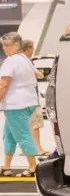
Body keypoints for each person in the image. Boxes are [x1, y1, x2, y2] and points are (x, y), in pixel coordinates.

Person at [0, 32, 40, 177]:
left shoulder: (10, 61)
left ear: (17, 45)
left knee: (23, 136)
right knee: (8, 135)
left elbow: (4, 85)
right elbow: (37, 75)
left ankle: (32, 168)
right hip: (28, 103)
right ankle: (6, 166)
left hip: (15, 105)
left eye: (7, 45)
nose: (4, 48)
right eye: (3, 45)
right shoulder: (25, 59)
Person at [22, 40, 49, 157]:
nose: (33, 51)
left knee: (25, 125)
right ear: (27, 49)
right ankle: (38, 148)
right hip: (30, 98)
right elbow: (40, 75)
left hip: (22, 99)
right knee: (35, 124)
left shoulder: (17, 61)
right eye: (32, 48)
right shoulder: (26, 62)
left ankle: (26, 149)